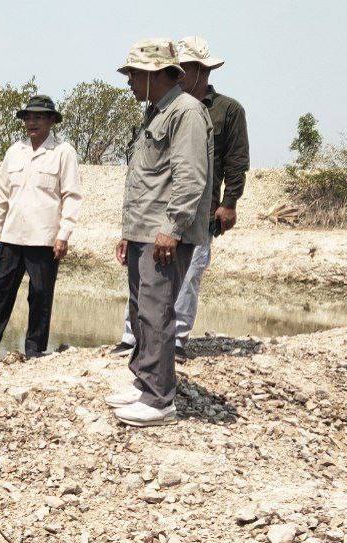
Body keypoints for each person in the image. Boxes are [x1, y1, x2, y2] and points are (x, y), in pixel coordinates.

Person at [110, 36, 248, 359]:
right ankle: (138, 344)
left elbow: (230, 162)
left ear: (201, 70)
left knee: (185, 280)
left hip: (197, 211)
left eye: (184, 67)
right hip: (156, 215)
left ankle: (173, 344)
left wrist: (229, 203)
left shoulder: (221, 110)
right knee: (149, 290)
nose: (179, 73)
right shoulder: (160, 109)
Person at [104, 39, 212, 426]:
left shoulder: (186, 112)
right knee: (141, 311)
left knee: (157, 312)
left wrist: (172, 228)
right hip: (143, 230)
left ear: (155, 74)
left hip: (163, 234)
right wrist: (128, 232)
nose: (129, 81)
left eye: (134, 74)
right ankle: (144, 382)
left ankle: (159, 400)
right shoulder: (157, 113)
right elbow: (145, 180)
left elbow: (190, 177)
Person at [0, 95, 83, 360]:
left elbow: (71, 196)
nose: (32, 122)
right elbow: (1, 194)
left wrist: (63, 235)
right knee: (1, 290)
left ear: (51, 120)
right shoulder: (14, 151)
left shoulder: (63, 152)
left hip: (44, 237)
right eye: (28, 117)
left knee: (40, 293)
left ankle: (34, 348)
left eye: (39, 117)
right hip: (11, 235)